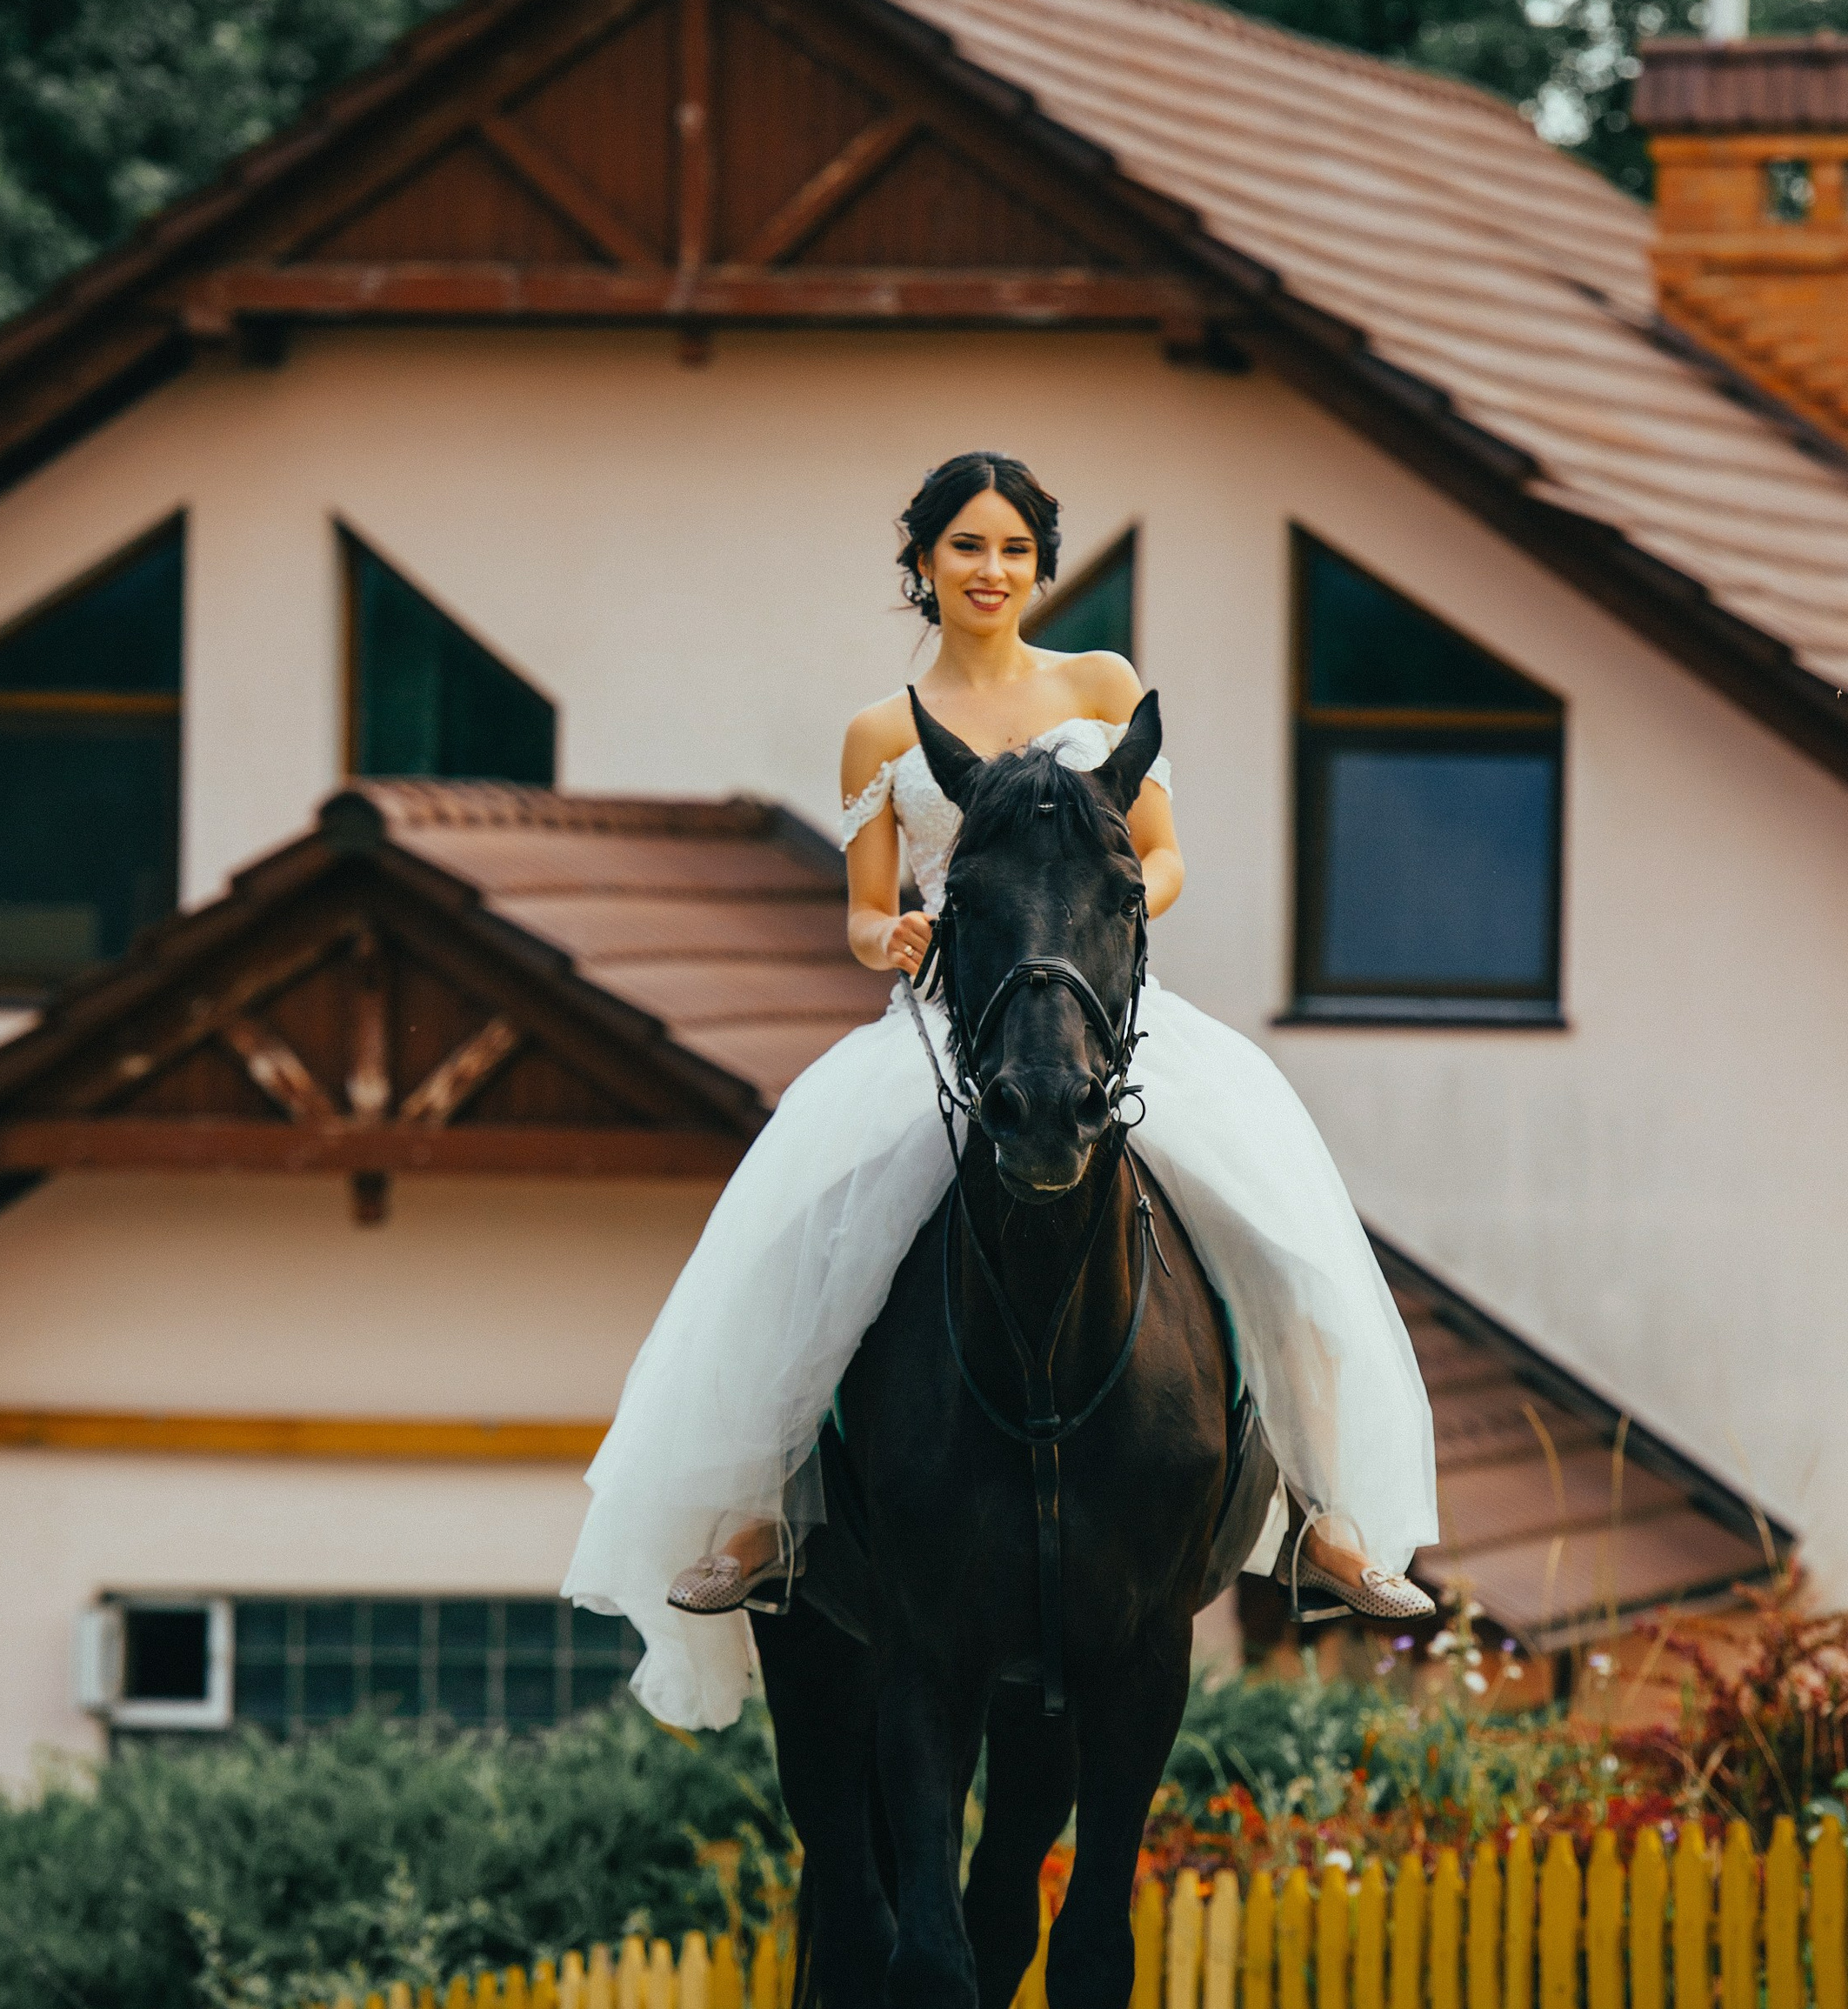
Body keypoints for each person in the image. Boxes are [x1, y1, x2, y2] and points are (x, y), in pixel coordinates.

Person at [565, 451, 1438, 1732]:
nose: (992, 571)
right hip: (946, 1027)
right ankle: (764, 1512)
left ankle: (1325, 1519)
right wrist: (896, 939)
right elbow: (865, 911)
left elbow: (1164, 856)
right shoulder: (882, 729)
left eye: (1016, 550)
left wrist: (1119, 907)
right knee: (810, 1237)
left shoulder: (1104, 690)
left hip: (1098, 1013)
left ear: (1042, 565)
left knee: (1275, 1221)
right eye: (967, 547)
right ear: (921, 563)